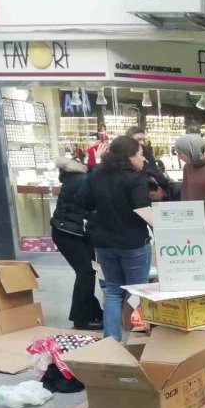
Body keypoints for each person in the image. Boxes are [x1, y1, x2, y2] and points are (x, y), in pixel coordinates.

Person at [77, 135, 153, 341]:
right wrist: (166, 228)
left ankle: (111, 341)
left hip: (103, 243)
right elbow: (142, 208)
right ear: (128, 157)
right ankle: (140, 340)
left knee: (113, 291)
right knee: (138, 292)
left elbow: (83, 202)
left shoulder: (96, 175)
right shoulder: (136, 179)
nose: (143, 158)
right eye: (139, 154)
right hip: (133, 243)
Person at [50, 157, 102, 330]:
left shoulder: (74, 178)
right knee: (86, 272)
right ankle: (81, 318)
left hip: (74, 232)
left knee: (88, 271)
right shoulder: (80, 180)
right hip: (69, 233)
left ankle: (92, 311)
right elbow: (92, 202)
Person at [175, 134, 205, 201]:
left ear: (190, 150)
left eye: (180, 153)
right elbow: (185, 192)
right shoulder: (187, 167)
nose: (179, 157)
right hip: (192, 209)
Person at [127, 126, 168, 201]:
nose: (142, 142)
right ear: (129, 140)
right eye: (138, 139)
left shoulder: (147, 154)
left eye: (143, 139)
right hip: (139, 199)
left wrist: (161, 188)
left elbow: (155, 171)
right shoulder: (125, 159)